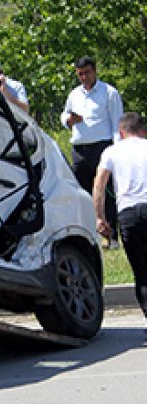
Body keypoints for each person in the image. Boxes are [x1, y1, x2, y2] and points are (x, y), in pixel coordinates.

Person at [64, 56, 125, 247]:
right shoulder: (74, 94)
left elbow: (117, 123)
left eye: (87, 73)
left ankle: (112, 236)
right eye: (80, 74)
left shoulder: (109, 93)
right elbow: (65, 115)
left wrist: (117, 150)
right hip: (80, 149)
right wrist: (69, 121)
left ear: (94, 71)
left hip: (102, 147)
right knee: (82, 193)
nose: (84, 77)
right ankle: (89, 235)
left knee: (106, 191)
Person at [94, 112, 147, 317]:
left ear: (121, 132)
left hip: (128, 213)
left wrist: (100, 217)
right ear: (142, 130)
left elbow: (99, 184)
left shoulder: (111, 152)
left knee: (141, 271)